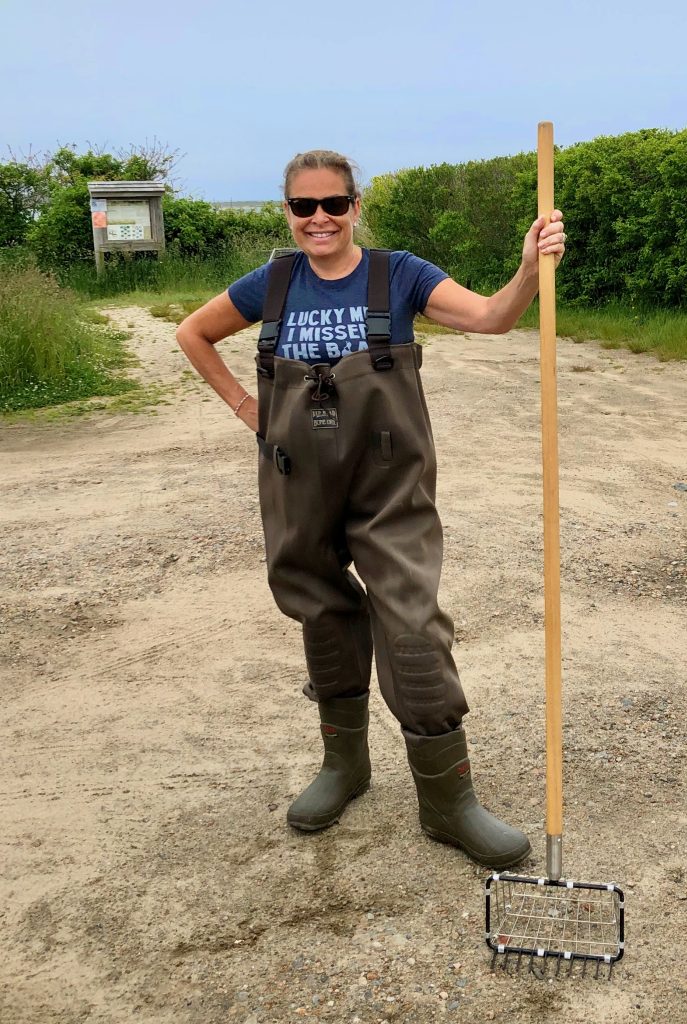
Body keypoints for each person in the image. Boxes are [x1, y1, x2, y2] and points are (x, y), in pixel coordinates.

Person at [176, 149, 565, 869]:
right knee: (321, 614)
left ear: (355, 207)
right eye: (303, 207)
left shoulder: (400, 275)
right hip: (296, 476)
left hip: (390, 483)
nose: (318, 219)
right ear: (287, 212)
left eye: (332, 204)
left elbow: (489, 319)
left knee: (412, 626)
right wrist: (246, 407)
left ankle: (449, 805)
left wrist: (526, 268)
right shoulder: (274, 283)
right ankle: (343, 767)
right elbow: (191, 333)